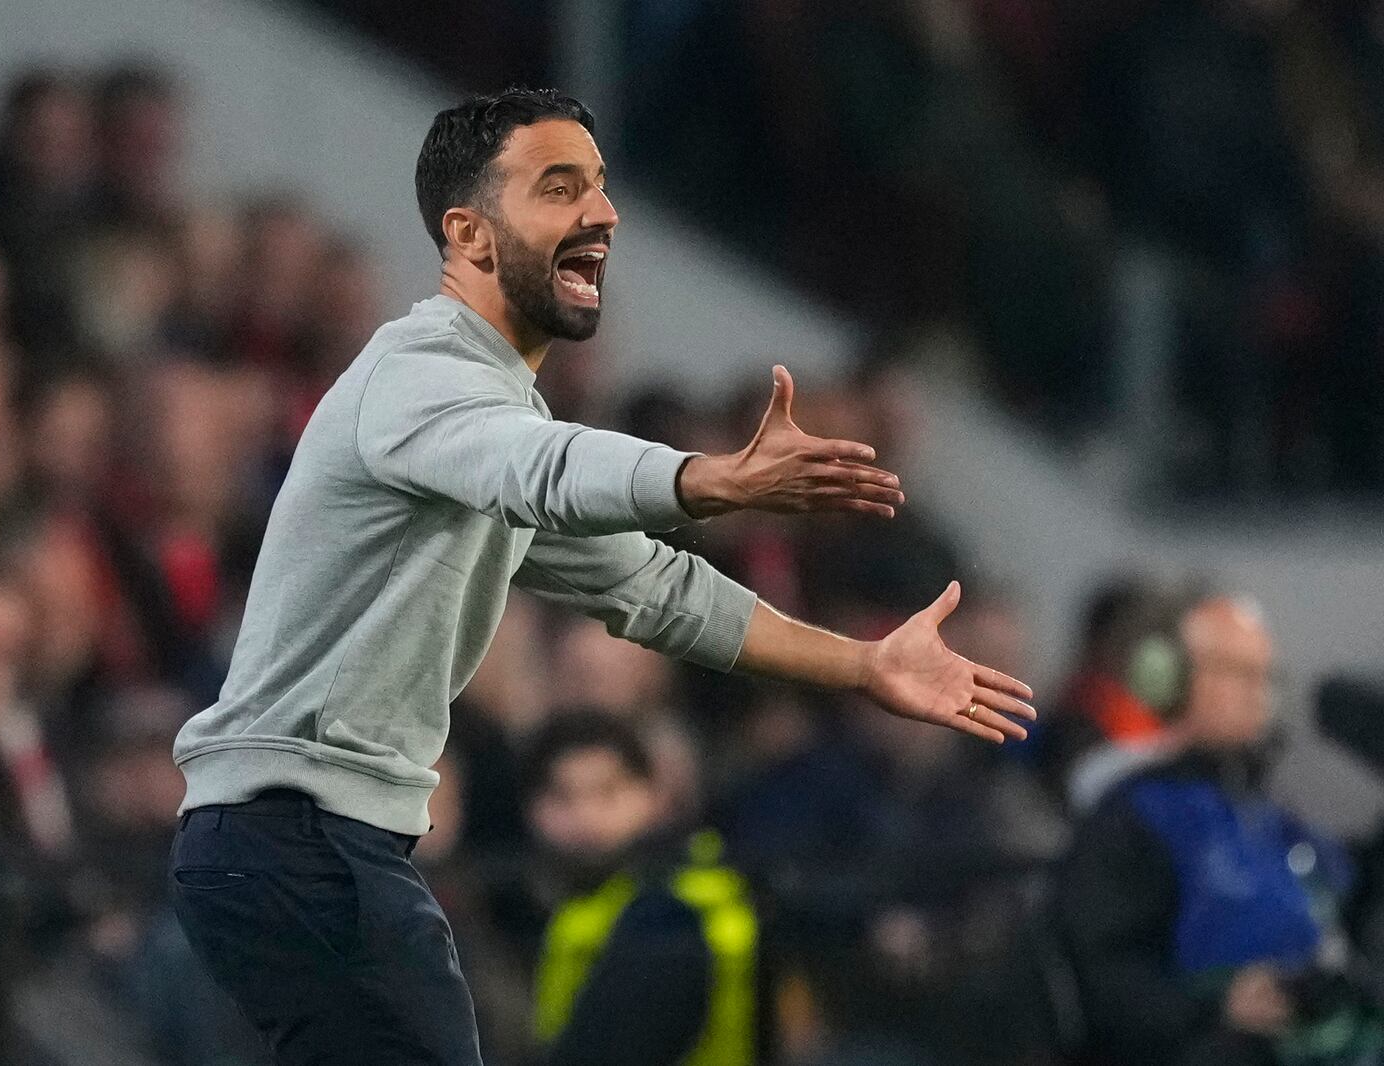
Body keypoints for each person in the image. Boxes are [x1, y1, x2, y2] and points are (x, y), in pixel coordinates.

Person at [168, 87, 1035, 1066]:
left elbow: (653, 589)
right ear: (470, 233)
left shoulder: (482, 414)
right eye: (558, 187)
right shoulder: (420, 375)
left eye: (602, 187)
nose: (603, 213)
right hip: (297, 842)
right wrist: (706, 477)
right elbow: (543, 470)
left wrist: (862, 666)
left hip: (300, 849)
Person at [1055, 594, 1378, 1066]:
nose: (1256, 691)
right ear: (1166, 678)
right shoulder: (1132, 819)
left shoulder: (1262, 805)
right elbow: (1103, 980)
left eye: (1263, 674)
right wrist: (1218, 1004)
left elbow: (1340, 895)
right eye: (1232, 670)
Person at [523, 709, 758, 1066]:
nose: (586, 817)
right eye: (562, 796)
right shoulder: (569, 899)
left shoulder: (667, 911)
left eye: (608, 792)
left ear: (651, 794)